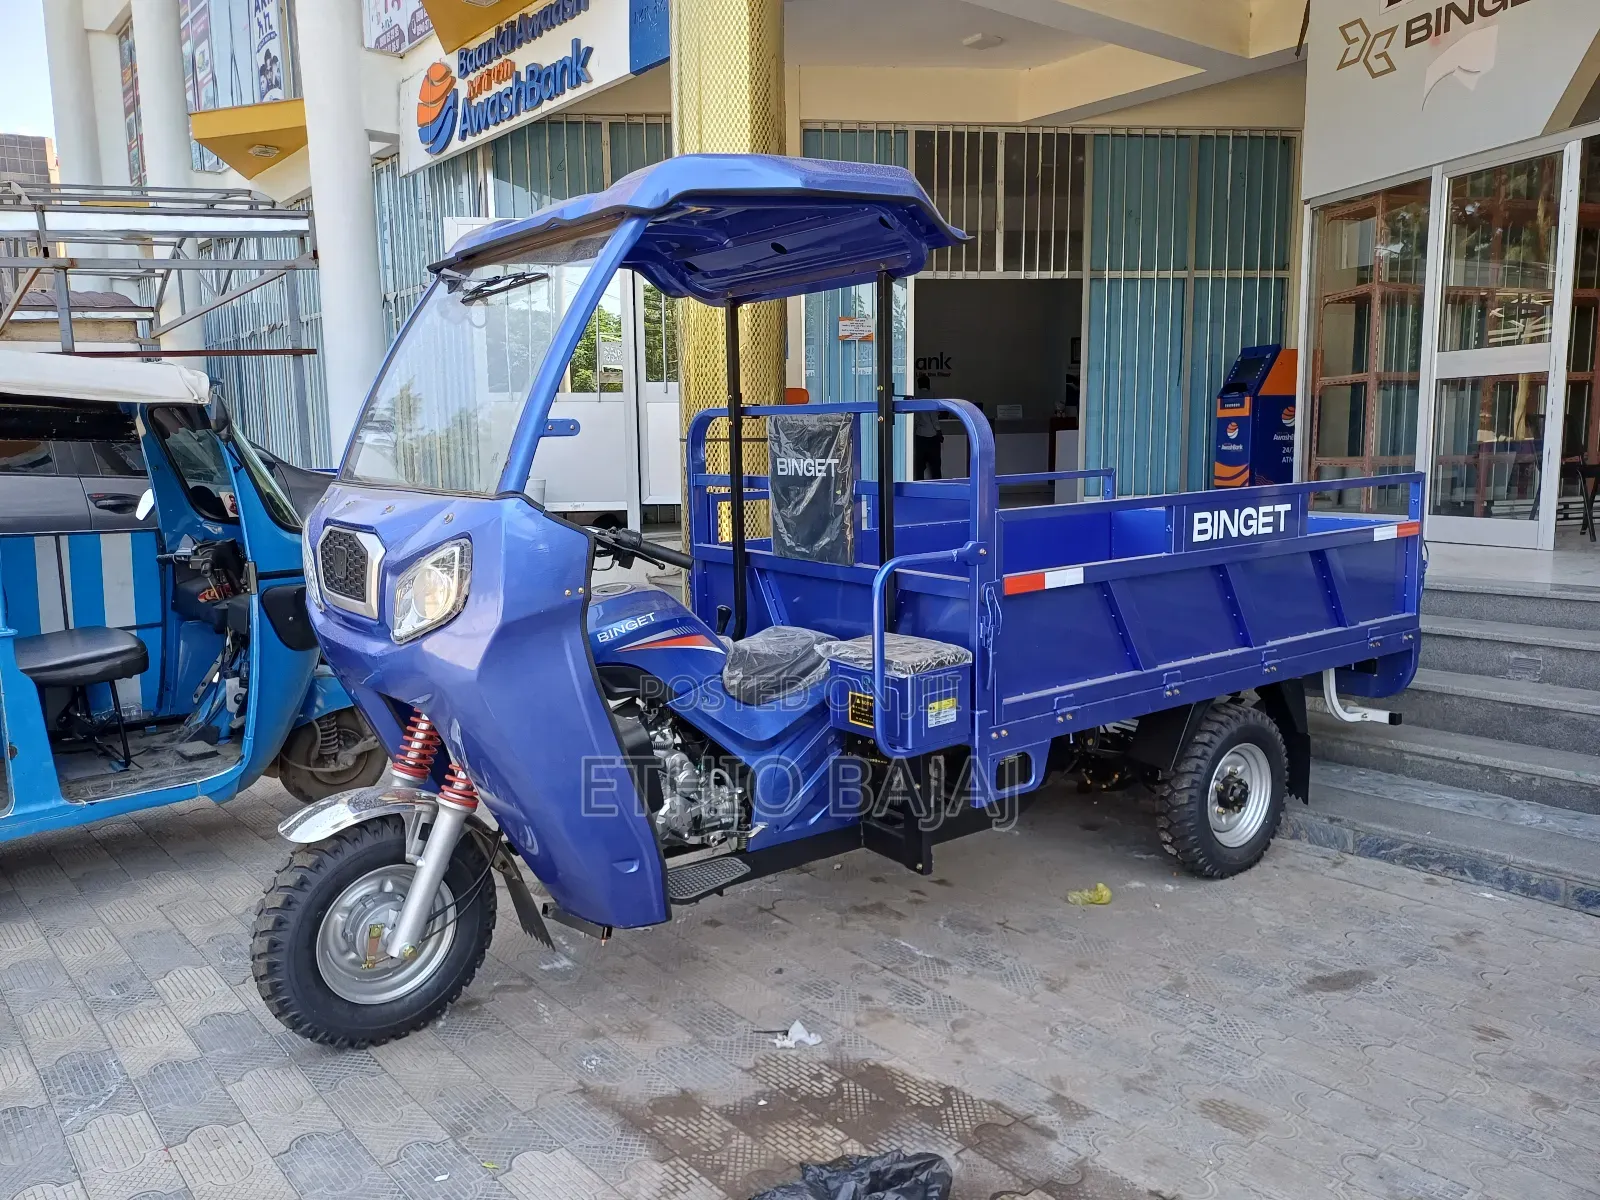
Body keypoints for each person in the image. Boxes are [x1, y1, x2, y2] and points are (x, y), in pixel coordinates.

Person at [913, 373, 943, 480]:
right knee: (935, 467)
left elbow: (915, 418)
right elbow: (934, 416)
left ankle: (919, 489)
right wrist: (939, 431)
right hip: (932, 437)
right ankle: (937, 490)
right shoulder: (932, 396)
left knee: (919, 468)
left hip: (919, 435)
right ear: (928, 384)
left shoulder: (915, 396)